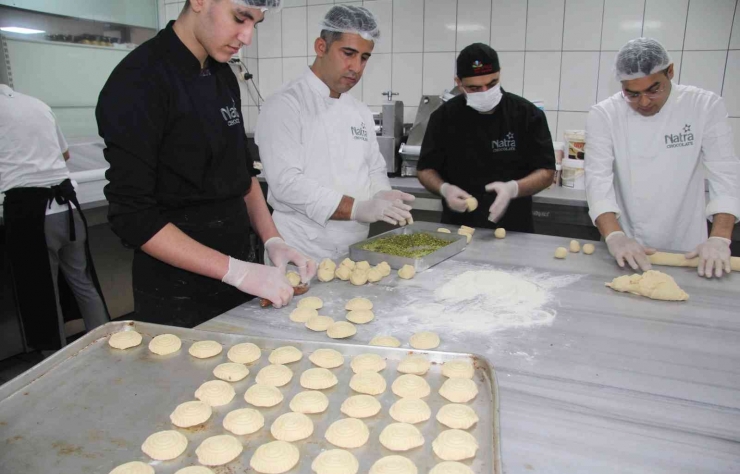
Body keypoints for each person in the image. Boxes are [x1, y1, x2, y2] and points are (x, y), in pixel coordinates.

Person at [96, 0, 316, 328]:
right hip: (178, 293)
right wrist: (236, 271)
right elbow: (133, 218)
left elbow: (243, 176)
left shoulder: (222, 75)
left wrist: (272, 240)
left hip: (241, 280)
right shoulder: (138, 81)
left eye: (255, 23)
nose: (246, 37)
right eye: (240, 19)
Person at [255, 5, 414, 262]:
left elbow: (373, 168)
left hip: (355, 251)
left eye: (364, 57)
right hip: (300, 252)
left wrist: (382, 194)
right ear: (321, 47)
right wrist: (357, 208)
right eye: (348, 53)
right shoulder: (285, 104)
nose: (356, 67)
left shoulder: (359, 111)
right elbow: (286, 184)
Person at [585, 38, 740, 278]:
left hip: (690, 252)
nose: (644, 102)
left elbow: (726, 175)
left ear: (671, 71)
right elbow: (597, 179)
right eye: (632, 94)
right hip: (628, 250)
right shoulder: (605, 114)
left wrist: (719, 237)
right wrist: (615, 236)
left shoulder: (704, 106)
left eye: (653, 89)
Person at [1, 84, 110, 351]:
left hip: (30, 212)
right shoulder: (37, 104)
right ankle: (107, 341)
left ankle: (53, 360)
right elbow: (65, 154)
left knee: (40, 293)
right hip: (67, 208)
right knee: (82, 282)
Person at [417, 43, 555, 233]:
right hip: (457, 230)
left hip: (515, 230)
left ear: (500, 75)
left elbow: (547, 172)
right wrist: (444, 189)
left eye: (491, 84)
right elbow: (425, 169)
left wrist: (513, 189)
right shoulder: (444, 118)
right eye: (474, 88)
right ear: (459, 83)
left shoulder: (526, 114)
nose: (484, 93)